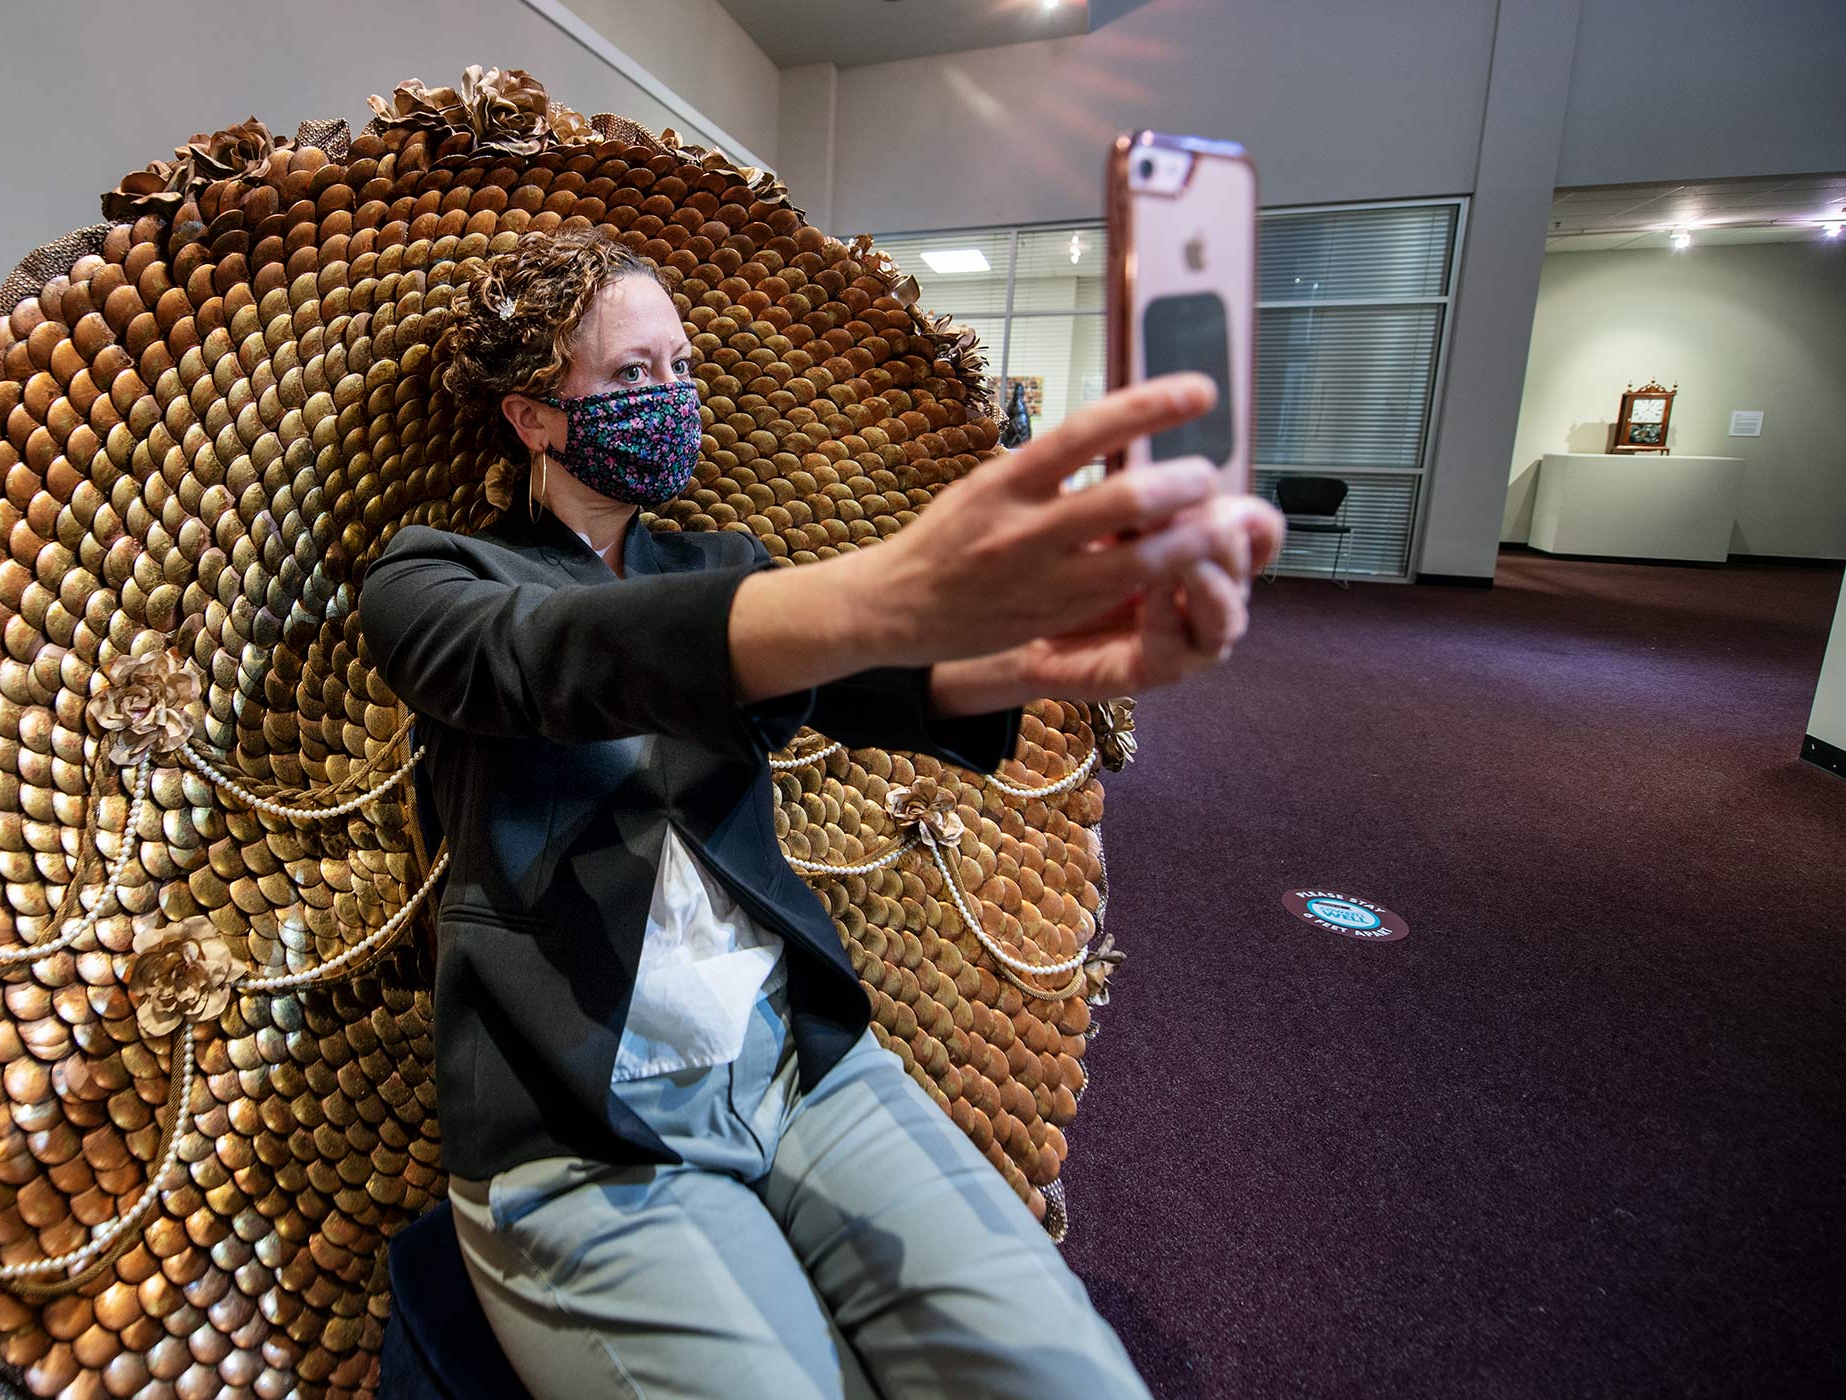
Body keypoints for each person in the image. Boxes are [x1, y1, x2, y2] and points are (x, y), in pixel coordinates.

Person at [357, 228, 1281, 1399]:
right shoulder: (437, 578)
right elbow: (556, 659)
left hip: (800, 1067)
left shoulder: (725, 562)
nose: (670, 398)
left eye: (680, 369)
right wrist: (873, 592)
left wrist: (1047, 658)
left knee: (1067, 1375)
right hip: (585, 1129)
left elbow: (876, 679)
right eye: (631, 376)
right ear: (532, 416)